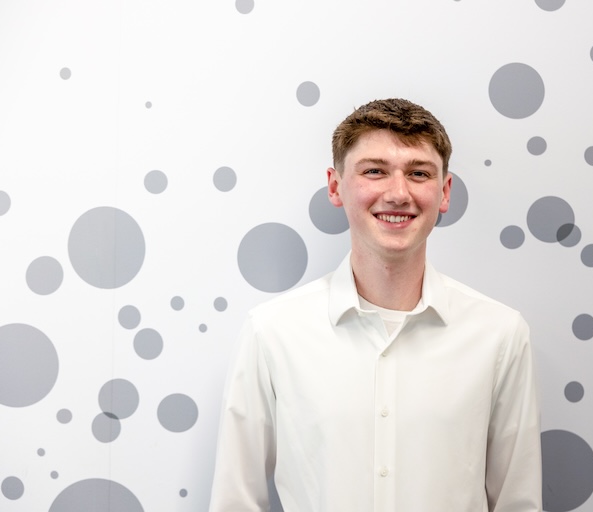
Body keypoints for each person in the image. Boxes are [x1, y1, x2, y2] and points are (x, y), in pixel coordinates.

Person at [209, 98, 542, 512]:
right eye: (374, 171)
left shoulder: (500, 334)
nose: (398, 193)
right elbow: (235, 502)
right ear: (335, 186)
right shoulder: (272, 332)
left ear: (445, 192)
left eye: (419, 173)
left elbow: (518, 503)